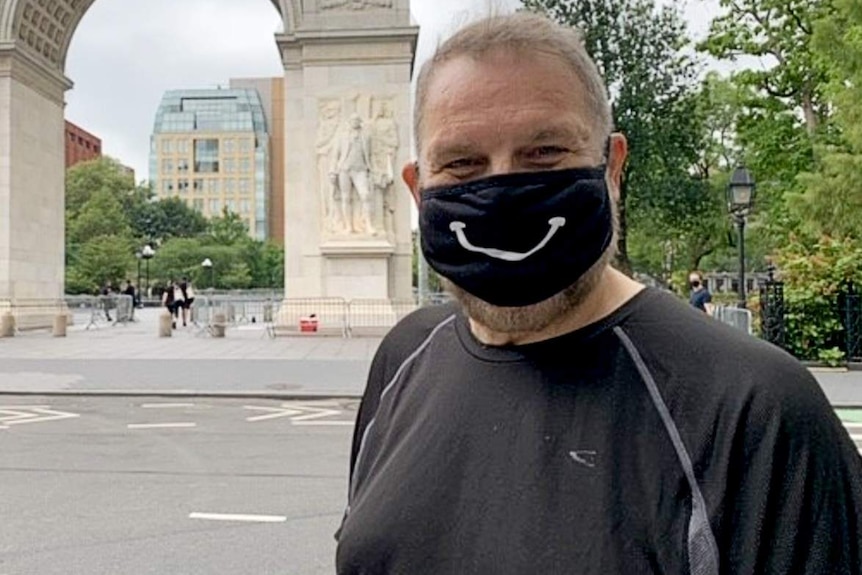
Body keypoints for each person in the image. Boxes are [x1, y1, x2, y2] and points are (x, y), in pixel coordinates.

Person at [335, 12, 862, 575]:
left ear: (611, 167)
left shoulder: (755, 409)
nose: (503, 189)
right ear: (418, 189)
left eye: (545, 154)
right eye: (463, 163)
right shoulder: (402, 358)